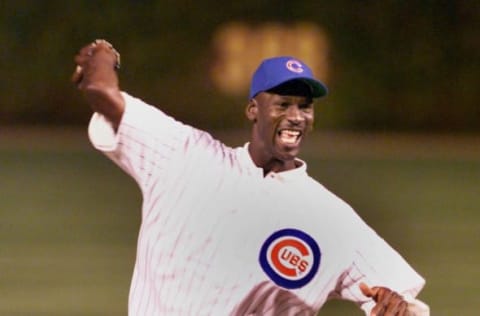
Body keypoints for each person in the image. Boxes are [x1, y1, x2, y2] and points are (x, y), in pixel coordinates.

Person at [72, 39, 429, 316]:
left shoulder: (331, 219)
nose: (296, 116)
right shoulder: (183, 155)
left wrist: (396, 303)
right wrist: (104, 52)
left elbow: (401, 302)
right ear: (252, 110)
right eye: (283, 103)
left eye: (305, 106)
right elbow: (101, 91)